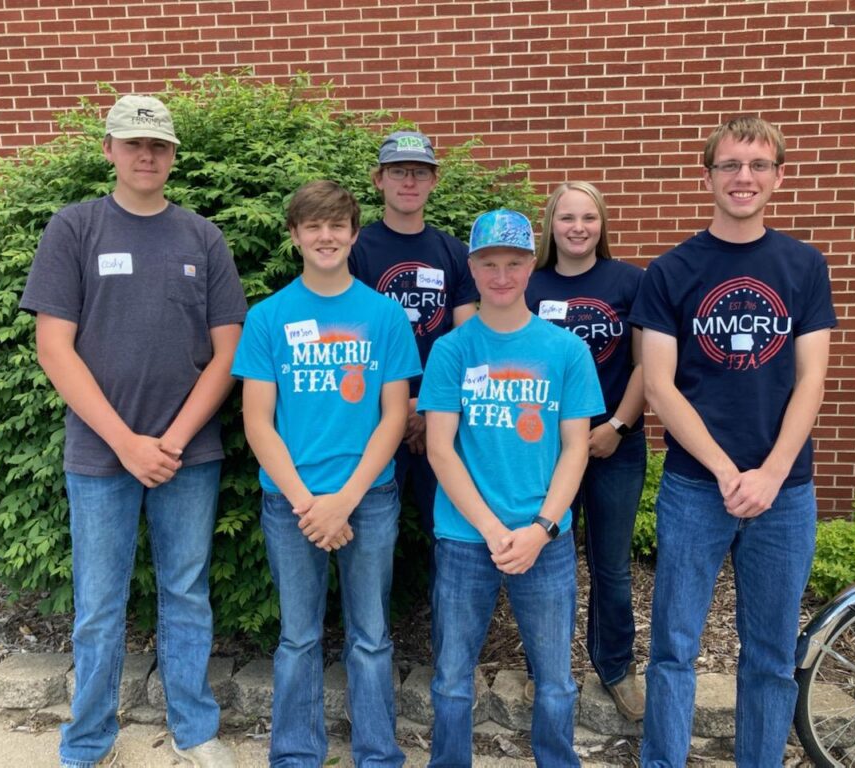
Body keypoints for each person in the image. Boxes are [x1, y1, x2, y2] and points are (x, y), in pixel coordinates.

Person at [20, 94, 246, 768]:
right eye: (132, 143)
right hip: (99, 454)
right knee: (97, 603)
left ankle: (194, 731)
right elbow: (54, 347)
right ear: (110, 150)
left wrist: (170, 441)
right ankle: (88, 740)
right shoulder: (75, 228)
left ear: (173, 155)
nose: (146, 156)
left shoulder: (202, 237)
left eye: (158, 146)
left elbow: (228, 350)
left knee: (185, 594)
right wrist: (126, 443)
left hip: (188, 456)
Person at [630, 116, 836, 766]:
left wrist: (771, 474)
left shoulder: (804, 266)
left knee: (772, 656)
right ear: (708, 176)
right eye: (729, 165)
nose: (742, 177)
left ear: (779, 176)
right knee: (673, 649)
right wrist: (725, 470)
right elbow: (660, 387)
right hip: (696, 487)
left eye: (756, 165)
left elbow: (812, 381)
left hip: (785, 493)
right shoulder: (671, 271)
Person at [232, 180, 420, 768]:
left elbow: (395, 417)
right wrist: (309, 503)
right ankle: (293, 754)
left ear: (354, 234)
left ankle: (377, 754)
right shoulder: (268, 318)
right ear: (294, 236)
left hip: (369, 498)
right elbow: (258, 422)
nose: (326, 236)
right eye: (313, 226)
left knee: (370, 636)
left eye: (337, 225)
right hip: (291, 503)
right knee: (298, 637)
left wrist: (344, 500)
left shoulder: (384, 316)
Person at [419, 209, 605, 767]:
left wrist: (541, 529)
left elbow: (576, 447)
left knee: (554, 681)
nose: (502, 275)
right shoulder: (453, 350)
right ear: (472, 268)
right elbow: (439, 448)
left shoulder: (565, 350)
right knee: (453, 678)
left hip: (543, 541)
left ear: (531, 266)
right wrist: (494, 529)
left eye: (514, 263)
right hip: (465, 538)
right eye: (489, 263)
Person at [524, 181, 647, 721]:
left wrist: (617, 425)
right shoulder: (530, 284)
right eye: (567, 218)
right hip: (544, 449)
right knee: (545, 560)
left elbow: (647, 365)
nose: (578, 228)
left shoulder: (631, 281)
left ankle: (617, 668)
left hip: (613, 444)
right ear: (551, 225)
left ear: (602, 224)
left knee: (611, 566)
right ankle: (543, 670)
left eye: (588, 218)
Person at [348, 130, 478, 549]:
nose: (409, 182)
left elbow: (464, 339)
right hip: (372, 414)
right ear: (378, 180)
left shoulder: (454, 252)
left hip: (439, 413)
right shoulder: (355, 249)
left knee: (450, 533)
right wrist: (396, 408)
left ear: (434, 181)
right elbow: (354, 338)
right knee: (372, 538)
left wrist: (427, 407)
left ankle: (448, 617)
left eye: (419, 173)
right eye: (398, 171)